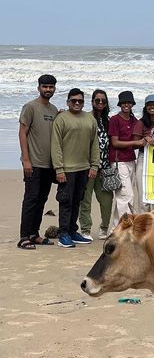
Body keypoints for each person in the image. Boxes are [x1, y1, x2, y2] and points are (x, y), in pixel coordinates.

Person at [51, 88, 100, 248]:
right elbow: (56, 145)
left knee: (77, 201)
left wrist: (94, 165)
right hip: (66, 169)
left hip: (84, 168)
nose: (77, 103)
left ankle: (73, 231)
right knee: (66, 202)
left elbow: (94, 144)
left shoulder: (90, 119)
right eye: (74, 101)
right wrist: (59, 169)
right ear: (68, 102)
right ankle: (63, 234)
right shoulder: (61, 119)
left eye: (80, 101)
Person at [17, 74, 58, 249]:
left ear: (54, 89)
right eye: (45, 86)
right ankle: (24, 237)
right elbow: (22, 133)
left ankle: (34, 234)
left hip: (48, 164)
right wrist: (26, 159)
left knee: (41, 200)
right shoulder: (30, 107)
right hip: (33, 163)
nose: (48, 89)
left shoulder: (54, 110)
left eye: (51, 87)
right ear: (39, 87)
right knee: (31, 199)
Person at [78, 90, 113, 240]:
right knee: (85, 200)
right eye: (97, 100)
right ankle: (85, 229)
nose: (100, 103)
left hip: (105, 167)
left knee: (107, 201)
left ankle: (104, 227)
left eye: (103, 101)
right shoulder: (85, 118)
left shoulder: (109, 121)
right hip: (87, 166)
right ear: (92, 102)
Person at [108, 91, 142, 230]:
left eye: (129, 102)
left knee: (124, 196)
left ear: (132, 104)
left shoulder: (135, 121)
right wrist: (137, 143)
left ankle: (116, 227)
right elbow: (115, 143)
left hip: (130, 160)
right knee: (126, 195)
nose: (126, 104)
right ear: (120, 104)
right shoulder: (115, 119)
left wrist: (142, 141)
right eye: (124, 102)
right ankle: (124, 228)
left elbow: (136, 141)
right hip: (118, 161)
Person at [132, 94, 154, 213]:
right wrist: (145, 140)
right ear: (145, 107)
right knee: (144, 198)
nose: (152, 107)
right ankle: (143, 228)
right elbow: (134, 144)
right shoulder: (140, 123)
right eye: (149, 104)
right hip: (143, 159)